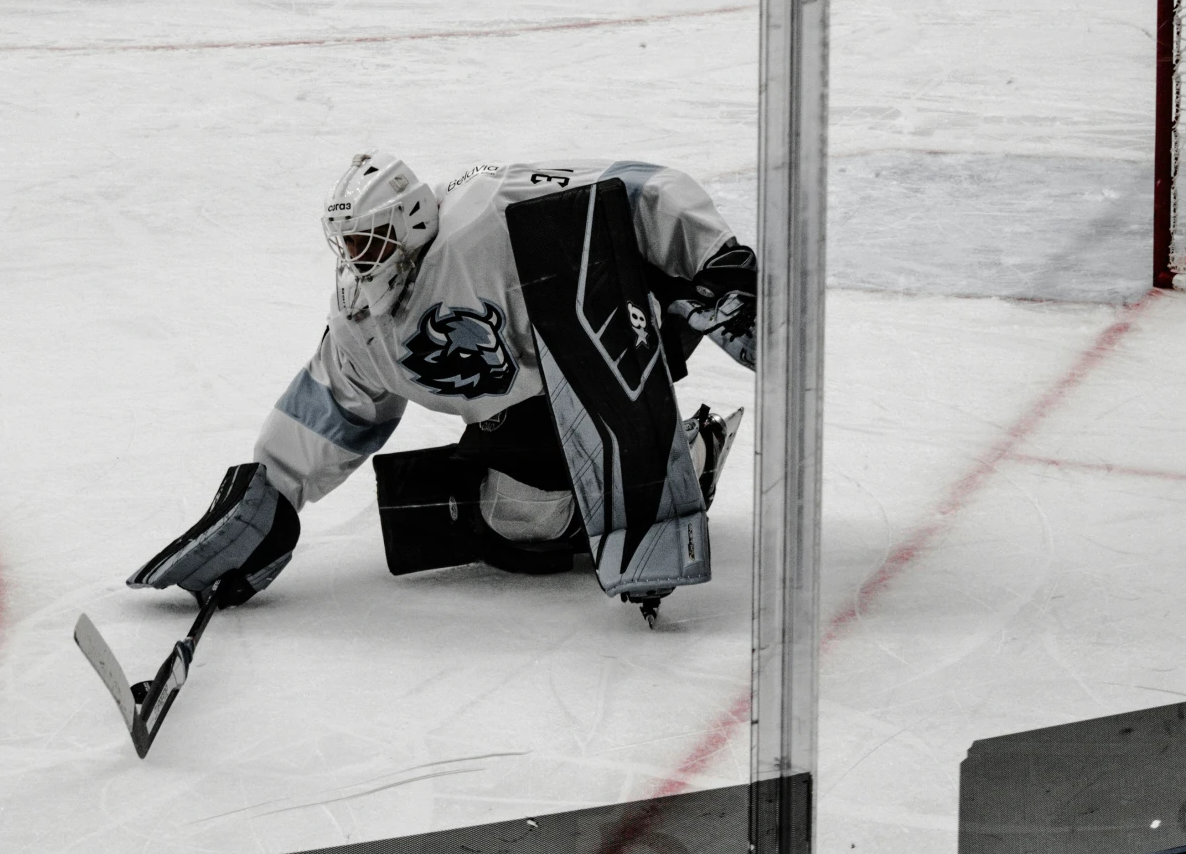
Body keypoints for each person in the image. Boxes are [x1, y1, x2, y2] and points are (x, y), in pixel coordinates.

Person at [130, 154, 755, 615]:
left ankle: (687, 455)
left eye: (367, 241)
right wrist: (271, 495)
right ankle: (648, 463)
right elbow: (338, 400)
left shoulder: (484, 211)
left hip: (620, 329)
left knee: (534, 515)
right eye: (346, 246)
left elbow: (640, 184)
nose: (357, 260)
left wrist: (712, 256)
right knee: (519, 526)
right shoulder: (359, 318)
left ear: (408, 222)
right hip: (528, 402)